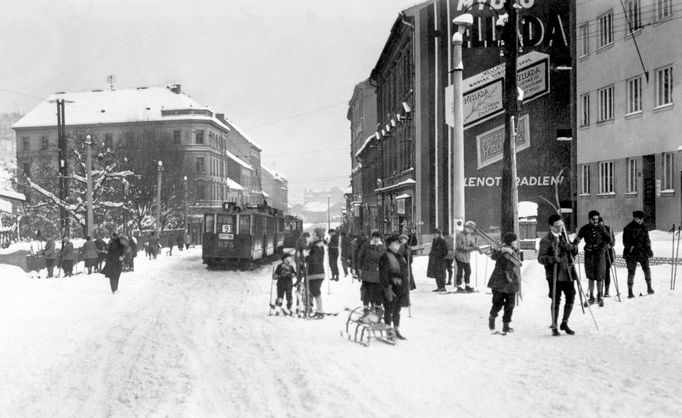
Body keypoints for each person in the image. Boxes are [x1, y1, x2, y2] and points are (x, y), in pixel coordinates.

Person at [538, 214, 578, 336]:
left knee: (571, 296)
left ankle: (564, 323)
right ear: (551, 226)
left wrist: (570, 247)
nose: (560, 228)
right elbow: (540, 258)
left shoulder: (564, 237)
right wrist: (552, 259)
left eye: (561, 225)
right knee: (556, 300)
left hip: (568, 273)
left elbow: (575, 251)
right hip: (554, 275)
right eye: (556, 226)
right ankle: (554, 325)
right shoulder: (545, 240)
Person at [573, 210, 612, 307]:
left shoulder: (602, 228)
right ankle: (591, 296)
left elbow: (608, 240)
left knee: (599, 276)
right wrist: (573, 246)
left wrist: (603, 247)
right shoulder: (585, 228)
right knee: (590, 276)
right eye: (593, 219)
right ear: (589, 219)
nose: (595, 221)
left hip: (600, 255)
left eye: (597, 219)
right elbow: (578, 239)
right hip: (589, 255)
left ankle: (599, 296)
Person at [487, 232, 521, 335]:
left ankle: (506, 326)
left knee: (510, 304)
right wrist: (502, 250)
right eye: (514, 240)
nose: (516, 242)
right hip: (499, 280)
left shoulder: (515, 251)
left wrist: (512, 251)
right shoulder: (500, 249)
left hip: (511, 280)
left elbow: (518, 262)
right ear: (510, 242)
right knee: (498, 303)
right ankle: (492, 319)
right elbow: (493, 256)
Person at [380, 235, 410, 340]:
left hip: (401, 288)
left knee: (397, 310)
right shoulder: (385, 256)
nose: (397, 245)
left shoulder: (400, 256)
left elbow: (405, 271)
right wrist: (387, 287)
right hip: (391, 288)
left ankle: (396, 330)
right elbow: (383, 274)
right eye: (395, 243)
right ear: (389, 244)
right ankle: (389, 331)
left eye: (398, 243)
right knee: (389, 310)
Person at [622, 210, 654, 298]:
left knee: (647, 269)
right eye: (638, 219)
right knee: (631, 272)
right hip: (631, 253)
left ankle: (649, 287)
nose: (640, 220)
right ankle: (630, 291)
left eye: (642, 219)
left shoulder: (644, 227)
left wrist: (648, 248)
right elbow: (625, 242)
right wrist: (630, 247)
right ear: (634, 218)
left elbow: (647, 239)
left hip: (642, 252)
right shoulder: (627, 228)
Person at [357, 230, 386, 309]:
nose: (376, 239)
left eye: (377, 237)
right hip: (367, 271)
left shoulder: (383, 246)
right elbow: (361, 257)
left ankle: (376, 306)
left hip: (378, 273)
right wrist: (359, 268)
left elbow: (385, 259)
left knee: (377, 291)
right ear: (372, 237)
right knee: (367, 290)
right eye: (374, 237)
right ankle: (366, 306)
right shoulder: (366, 245)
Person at [306, 228, 327, 318]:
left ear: (317, 235)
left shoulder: (316, 246)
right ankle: (315, 310)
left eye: (314, 234)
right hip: (317, 272)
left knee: (316, 292)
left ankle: (320, 311)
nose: (312, 235)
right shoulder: (317, 245)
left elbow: (314, 259)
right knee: (313, 291)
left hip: (315, 272)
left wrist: (306, 255)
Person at [455, 221, 479, 292]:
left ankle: (467, 285)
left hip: (467, 257)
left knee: (468, 271)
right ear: (465, 227)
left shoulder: (470, 235)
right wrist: (470, 248)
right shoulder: (459, 234)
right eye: (469, 228)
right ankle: (459, 286)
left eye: (471, 229)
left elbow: (472, 243)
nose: (470, 230)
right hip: (459, 256)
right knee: (460, 271)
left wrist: (475, 247)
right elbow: (459, 246)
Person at [599, 217, 616, 297]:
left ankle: (606, 291)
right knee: (599, 273)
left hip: (608, 254)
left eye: (601, 223)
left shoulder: (608, 229)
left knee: (607, 272)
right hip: (599, 254)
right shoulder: (595, 230)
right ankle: (600, 291)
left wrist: (609, 245)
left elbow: (613, 243)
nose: (600, 225)